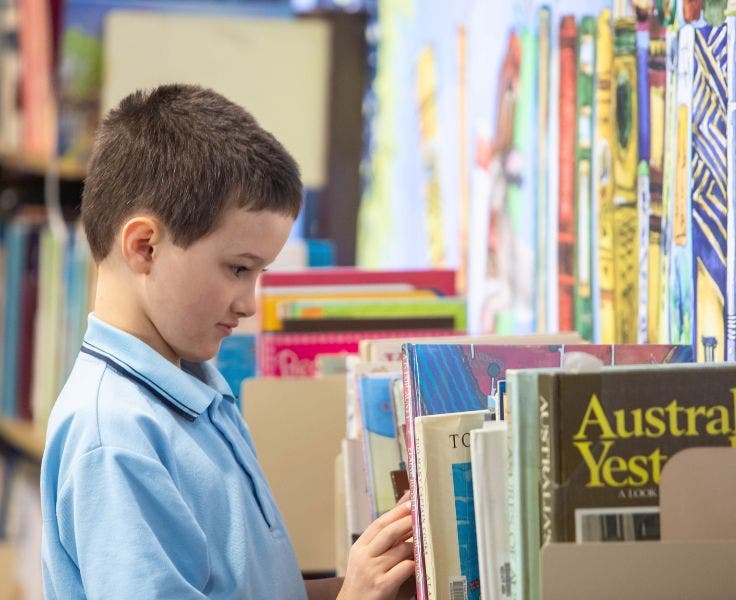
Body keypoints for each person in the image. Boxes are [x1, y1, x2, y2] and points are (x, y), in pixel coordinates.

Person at [40, 84, 414, 599]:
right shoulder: (115, 437)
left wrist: (356, 585)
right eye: (238, 269)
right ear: (144, 247)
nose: (248, 303)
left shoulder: (194, 386)